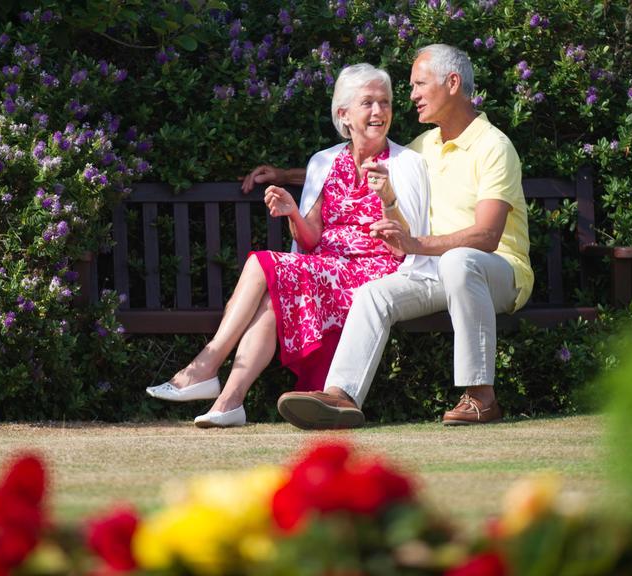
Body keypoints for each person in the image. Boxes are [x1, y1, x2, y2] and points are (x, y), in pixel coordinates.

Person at [255, 44, 533, 429]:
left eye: (419, 84)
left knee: (460, 260)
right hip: (434, 270)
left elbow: (486, 236)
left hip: (497, 272)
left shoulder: (493, 147)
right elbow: (360, 159)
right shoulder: (424, 147)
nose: (412, 95)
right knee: (374, 293)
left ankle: (481, 396)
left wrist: (414, 244)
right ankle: (341, 396)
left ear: (452, 83)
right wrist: (286, 176)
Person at [146, 63, 433, 428]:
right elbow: (310, 239)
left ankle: (206, 365)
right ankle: (228, 403)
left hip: (375, 274)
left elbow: (405, 249)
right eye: (368, 103)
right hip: (326, 269)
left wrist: (388, 198)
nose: (379, 112)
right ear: (344, 114)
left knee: (262, 262)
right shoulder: (326, 162)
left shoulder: (406, 164)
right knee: (269, 299)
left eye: (385, 103)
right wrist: (293, 214)